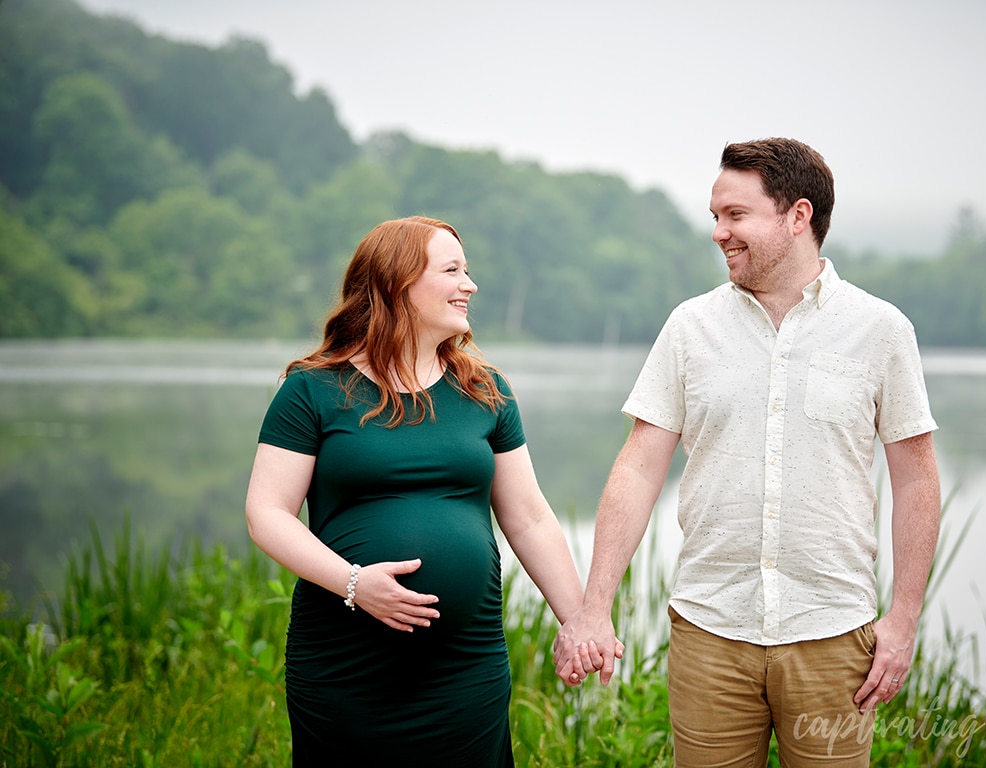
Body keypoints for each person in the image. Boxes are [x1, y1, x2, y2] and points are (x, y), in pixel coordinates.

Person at [553, 138, 941, 767]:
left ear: (797, 216)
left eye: (735, 215)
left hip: (834, 634)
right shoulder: (689, 327)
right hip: (710, 632)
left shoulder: (882, 330)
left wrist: (903, 620)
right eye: (715, 216)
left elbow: (917, 481)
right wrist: (594, 607)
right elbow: (638, 466)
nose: (718, 232)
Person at [246, 216, 598, 765]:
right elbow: (267, 513)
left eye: (468, 270)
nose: (470, 285)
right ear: (396, 284)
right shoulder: (312, 390)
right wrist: (355, 583)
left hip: (465, 668)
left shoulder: (486, 391)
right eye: (452, 270)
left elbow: (529, 518)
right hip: (346, 664)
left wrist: (578, 618)